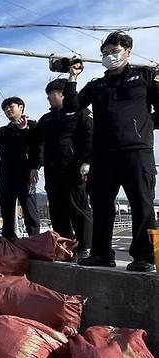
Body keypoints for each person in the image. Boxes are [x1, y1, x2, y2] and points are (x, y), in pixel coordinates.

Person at [64, 31, 159, 272]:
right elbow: (72, 105)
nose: (109, 56)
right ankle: (101, 254)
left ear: (127, 51)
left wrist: (144, 126)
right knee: (101, 204)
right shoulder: (97, 85)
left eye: (114, 51)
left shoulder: (145, 76)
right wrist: (72, 77)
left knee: (143, 204)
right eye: (105, 53)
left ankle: (145, 258)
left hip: (137, 151)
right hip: (103, 154)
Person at [31, 79, 93, 259]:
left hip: (74, 170)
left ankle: (85, 247)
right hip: (52, 172)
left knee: (78, 208)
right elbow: (35, 142)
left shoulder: (81, 112)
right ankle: (66, 248)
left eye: (50, 94)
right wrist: (35, 165)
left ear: (62, 93)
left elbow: (90, 137)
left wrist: (87, 162)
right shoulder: (47, 119)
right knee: (58, 212)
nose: (48, 99)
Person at [0, 97, 41, 239]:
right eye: (5, 108)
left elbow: (38, 147)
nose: (8, 109)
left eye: (11, 106)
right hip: (6, 177)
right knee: (7, 213)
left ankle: (35, 242)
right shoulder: (4, 130)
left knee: (30, 211)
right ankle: (9, 244)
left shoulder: (33, 125)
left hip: (25, 176)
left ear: (21, 107)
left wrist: (35, 167)